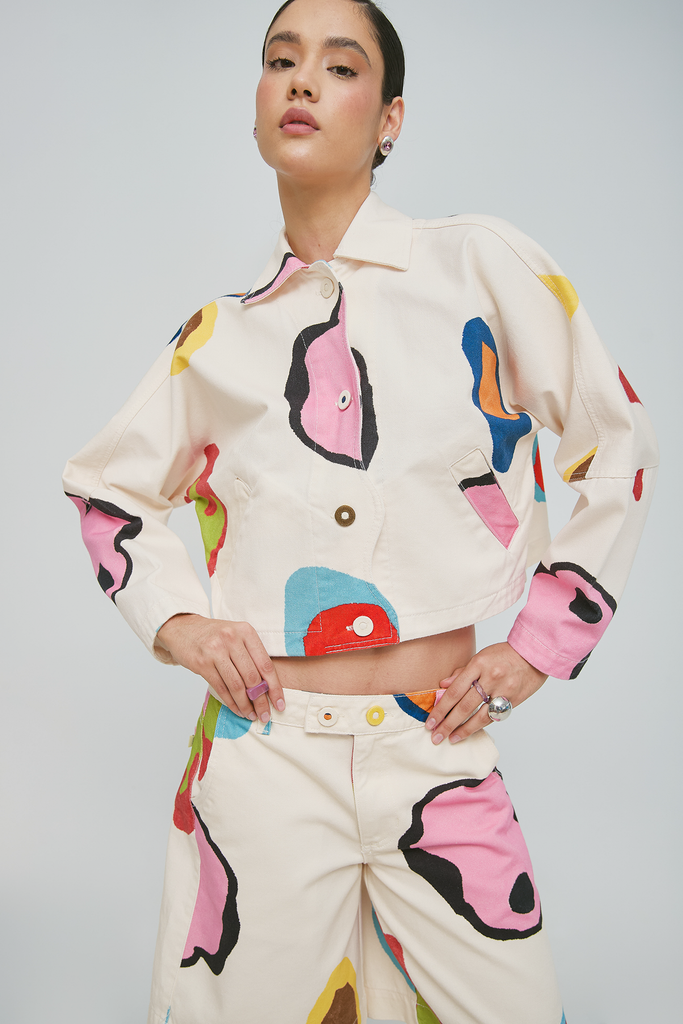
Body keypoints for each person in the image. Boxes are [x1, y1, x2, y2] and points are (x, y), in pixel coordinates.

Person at [62, 1, 658, 1021]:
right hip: (263, 759)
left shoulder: (478, 266)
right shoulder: (216, 338)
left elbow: (618, 442)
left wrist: (538, 645)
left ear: (389, 120)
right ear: (257, 104)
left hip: (438, 751)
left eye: (339, 67)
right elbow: (104, 486)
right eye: (279, 60)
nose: (300, 80)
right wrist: (181, 623)